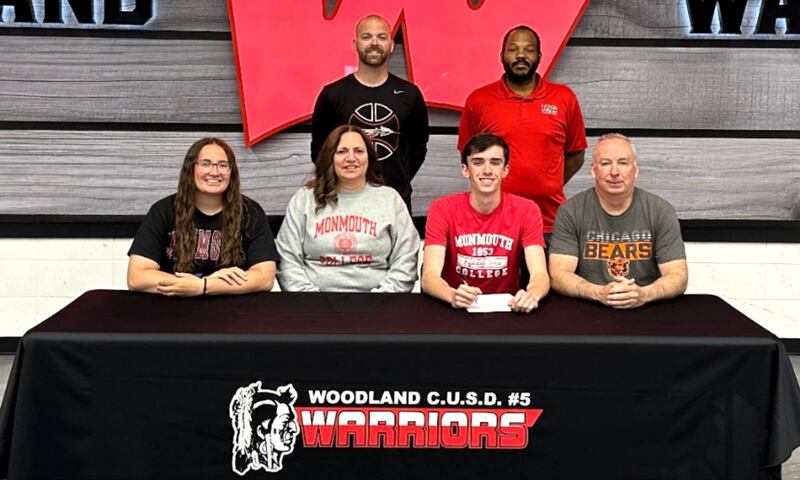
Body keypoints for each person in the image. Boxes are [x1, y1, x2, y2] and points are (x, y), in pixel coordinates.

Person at [458, 25, 586, 237]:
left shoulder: (564, 98)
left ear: (539, 56)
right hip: (492, 222)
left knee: (547, 272)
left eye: (529, 50)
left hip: (549, 223)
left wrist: (549, 183)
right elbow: (468, 156)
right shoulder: (479, 100)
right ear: (501, 55)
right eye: (513, 49)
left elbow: (577, 154)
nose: (520, 55)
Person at [549, 133, 688, 309]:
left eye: (623, 163)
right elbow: (558, 274)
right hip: (588, 308)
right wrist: (598, 293)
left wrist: (644, 294)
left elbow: (678, 276)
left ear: (635, 170)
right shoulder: (571, 211)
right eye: (605, 163)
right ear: (593, 170)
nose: (614, 172)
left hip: (646, 309)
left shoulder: (660, 210)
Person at [277, 125, 420, 292]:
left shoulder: (390, 199)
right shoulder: (305, 199)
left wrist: (381, 299)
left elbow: (407, 258)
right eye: (342, 151)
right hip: (314, 306)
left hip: (379, 306)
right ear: (330, 157)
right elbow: (287, 259)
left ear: (369, 157)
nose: (351, 158)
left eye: (359, 151)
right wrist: (311, 300)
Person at [127, 137, 278, 296]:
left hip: (232, 310)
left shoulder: (250, 212)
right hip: (174, 309)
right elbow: (137, 277)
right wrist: (190, 286)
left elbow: (265, 278)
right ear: (190, 169)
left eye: (222, 165)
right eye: (206, 164)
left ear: (231, 172)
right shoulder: (163, 211)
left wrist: (205, 286)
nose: (214, 172)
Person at [311, 14, 429, 212]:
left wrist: (397, 178)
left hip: (395, 202)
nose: (374, 43)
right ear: (355, 44)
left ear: (391, 45)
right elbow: (320, 151)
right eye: (366, 37)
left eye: (382, 37)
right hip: (343, 202)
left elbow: (418, 149)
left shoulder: (410, 94)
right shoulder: (333, 94)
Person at [421, 133, 549, 313]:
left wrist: (532, 294)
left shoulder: (527, 209)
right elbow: (429, 277)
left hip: (507, 309)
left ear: (505, 170)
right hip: (455, 309)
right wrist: (452, 295)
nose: (487, 170)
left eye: (495, 162)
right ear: (465, 170)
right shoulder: (442, 208)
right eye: (478, 162)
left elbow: (540, 274)